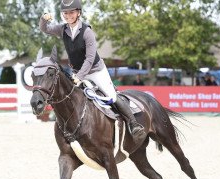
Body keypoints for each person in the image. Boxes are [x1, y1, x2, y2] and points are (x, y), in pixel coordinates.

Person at [39, 0, 144, 138]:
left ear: (78, 13)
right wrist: (43, 19)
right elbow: (45, 29)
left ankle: (133, 123)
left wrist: (80, 76)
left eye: (71, 12)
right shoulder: (63, 29)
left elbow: (89, 59)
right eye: (65, 13)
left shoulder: (87, 32)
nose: (68, 15)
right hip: (77, 72)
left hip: (95, 71)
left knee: (111, 96)